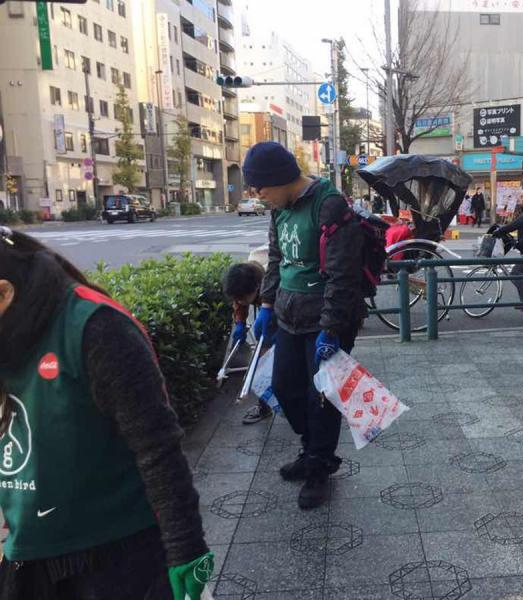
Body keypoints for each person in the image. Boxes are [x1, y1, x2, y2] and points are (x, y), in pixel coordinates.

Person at [0, 226, 212, 600]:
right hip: (29, 551)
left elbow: (158, 447)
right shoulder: (11, 327)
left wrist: (186, 548)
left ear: (4, 291)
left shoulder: (94, 327)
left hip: (116, 557)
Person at [243, 142, 364, 510]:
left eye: (260, 188)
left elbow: (344, 274)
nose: (258, 196)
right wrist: (266, 304)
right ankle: (311, 449)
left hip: (327, 321)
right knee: (283, 387)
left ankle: (318, 467)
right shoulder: (278, 211)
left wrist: (331, 329)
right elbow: (277, 258)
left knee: (322, 399)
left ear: (279, 179)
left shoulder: (329, 204)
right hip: (289, 317)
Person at [223, 261, 276, 425]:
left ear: (256, 287)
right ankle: (264, 406)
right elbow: (239, 304)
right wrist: (240, 323)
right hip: (264, 305)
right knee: (261, 362)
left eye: (242, 297)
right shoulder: (242, 280)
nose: (239, 301)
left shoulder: (272, 282)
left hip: (287, 314)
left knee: (276, 360)